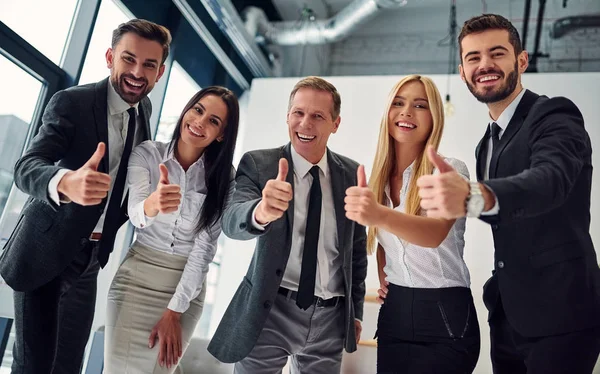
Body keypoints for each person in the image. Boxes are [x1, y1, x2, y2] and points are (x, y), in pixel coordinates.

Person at [416, 13, 600, 373]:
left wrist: (474, 196)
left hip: (562, 316)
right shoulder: (486, 143)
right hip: (508, 316)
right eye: (473, 58)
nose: (485, 65)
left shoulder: (553, 114)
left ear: (521, 60)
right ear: (463, 71)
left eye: (496, 53)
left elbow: (549, 180)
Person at [0, 19, 171, 374]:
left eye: (149, 65)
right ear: (110, 57)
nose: (138, 73)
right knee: (34, 365)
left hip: (91, 256)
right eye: (129, 59)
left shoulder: (144, 111)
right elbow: (26, 166)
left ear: (160, 72)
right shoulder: (73, 102)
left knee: (68, 364)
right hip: (46, 251)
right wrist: (65, 182)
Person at [207, 76, 368, 374]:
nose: (305, 123)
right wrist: (261, 211)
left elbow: (356, 252)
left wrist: (354, 313)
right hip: (271, 310)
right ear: (288, 115)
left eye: (318, 116)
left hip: (330, 320)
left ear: (336, 123)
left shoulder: (350, 174)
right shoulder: (259, 164)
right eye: (298, 113)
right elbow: (232, 220)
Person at [345, 75, 480, 374]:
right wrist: (385, 276)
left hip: (446, 316)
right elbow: (384, 241)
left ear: (435, 118)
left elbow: (433, 234)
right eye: (399, 103)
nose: (407, 112)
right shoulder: (378, 179)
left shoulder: (450, 170)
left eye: (420, 105)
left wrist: (378, 214)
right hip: (396, 314)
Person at [103, 86, 239, 373]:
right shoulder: (147, 154)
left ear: (222, 134)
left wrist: (174, 311)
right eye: (198, 110)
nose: (200, 122)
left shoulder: (224, 176)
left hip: (185, 291)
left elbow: (204, 250)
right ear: (187, 109)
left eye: (214, 121)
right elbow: (137, 215)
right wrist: (152, 204)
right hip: (136, 280)